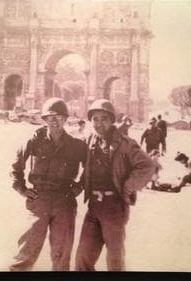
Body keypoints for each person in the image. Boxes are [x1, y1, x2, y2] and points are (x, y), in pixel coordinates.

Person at [75, 99, 154, 271]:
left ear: (112, 120)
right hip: (93, 207)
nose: (99, 123)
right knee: (83, 257)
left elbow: (148, 166)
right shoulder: (89, 141)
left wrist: (128, 186)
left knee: (114, 259)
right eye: (95, 119)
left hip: (114, 208)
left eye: (104, 118)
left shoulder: (126, 143)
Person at [9, 97, 87, 271]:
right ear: (44, 120)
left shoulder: (77, 145)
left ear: (66, 119)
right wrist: (22, 190)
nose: (54, 121)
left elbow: (90, 169)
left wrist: (79, 187)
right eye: (50, 117)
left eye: (59, 117)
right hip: (39, 200)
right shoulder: (34, 140)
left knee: (61, 254)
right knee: (27, 250)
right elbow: (16, 166)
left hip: (64, 202)